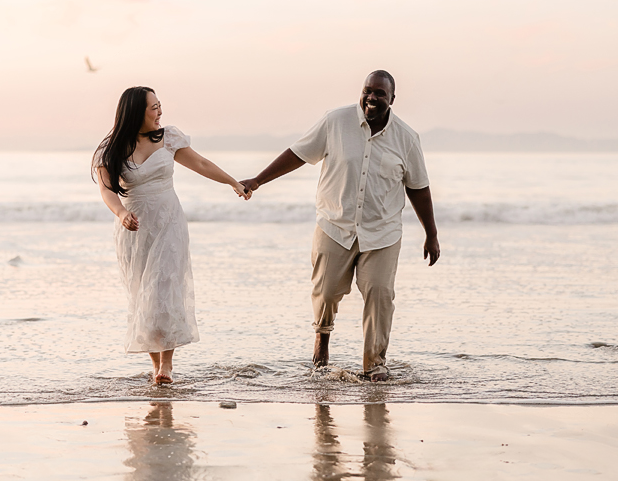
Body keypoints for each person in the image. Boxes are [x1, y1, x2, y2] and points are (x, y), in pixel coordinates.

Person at [240, 70, 439, 382]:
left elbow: (418, 188)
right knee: (327, 291)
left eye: (380, 93)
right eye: (367, 90)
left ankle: (375, 364)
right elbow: (298, 154)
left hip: (382, 232)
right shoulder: (335, 122)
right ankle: (322, 338)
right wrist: (258, 180)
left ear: (392, 99)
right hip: (334, 224)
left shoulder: (407, 138)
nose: (371, 98)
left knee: (379, 293)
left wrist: (431, 234)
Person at [94, 86, 249, 384]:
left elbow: (201, 163)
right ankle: (156, 366)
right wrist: (121, 213)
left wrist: (232, 182)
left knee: (164, 290)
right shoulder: (110, 150)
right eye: (153, 107)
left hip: (169, 223)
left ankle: (167, 364)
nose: (160, 112)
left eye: (159, 105)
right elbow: (106, 190)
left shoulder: (168, 138)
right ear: (135, 112)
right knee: (144, 297)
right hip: (134, 227)